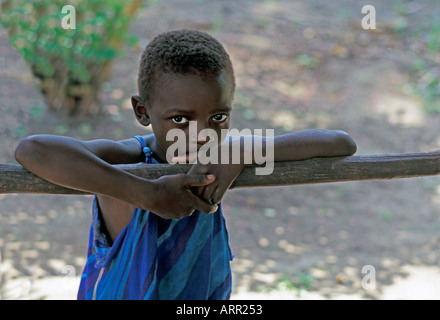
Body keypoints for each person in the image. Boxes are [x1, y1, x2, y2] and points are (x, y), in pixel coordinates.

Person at [14, 29, 357, 300]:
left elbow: (340, 142)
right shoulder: (131, 159)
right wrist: (146, 194)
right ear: (142, 111)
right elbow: (34, 151)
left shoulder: (226, 156)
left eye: (218, 116)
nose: (203, 133)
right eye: (180, 118)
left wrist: (240, 152)